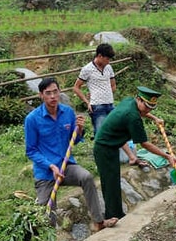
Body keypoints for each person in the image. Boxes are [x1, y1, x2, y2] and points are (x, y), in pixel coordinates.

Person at [25, 77, 118, 231]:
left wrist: (79, 130)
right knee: (46, 214)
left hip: (66, 166)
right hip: (46, 173)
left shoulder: (67, 112)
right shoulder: (32, 119)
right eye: (48, 93)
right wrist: (51, 166)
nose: (53, 96)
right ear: (41, 95)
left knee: (86, 177)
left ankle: (98, 222)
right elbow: (31, 150)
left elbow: (73, 141)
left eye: (55, 92)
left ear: (59, 92)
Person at [93, 86, 176, 220]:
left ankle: (116, 214)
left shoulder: (130, 102)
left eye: (151, 108)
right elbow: (145, 143)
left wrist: (154, 118)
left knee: (114, 181)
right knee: (110, 183)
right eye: (147, 106)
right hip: (104, 148)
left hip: (112, 145)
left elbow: (143, 112)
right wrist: (167, 156)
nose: (148, 110)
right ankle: (113, 216)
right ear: (139, 99)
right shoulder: (133, 117)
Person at [73, 43, 139, 165]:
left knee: (117, 130)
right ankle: (102, 160)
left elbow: (113, 86)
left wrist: (104, 92)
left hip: (110, 104)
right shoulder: (87, 69)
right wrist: (87, 101)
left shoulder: (108, 68)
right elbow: (76, 88)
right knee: (100, 134)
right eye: (107, 58)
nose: (108, 61)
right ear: (99, 56)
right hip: (97, 107)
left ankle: (129, 156)